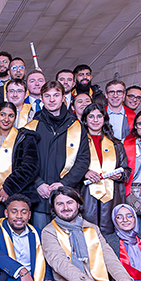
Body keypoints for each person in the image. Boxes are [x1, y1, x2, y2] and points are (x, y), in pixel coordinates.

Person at [24, 81, 90, 231]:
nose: (52, 99)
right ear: (41, 99)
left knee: (68, 240)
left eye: (56, 95)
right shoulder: (31, 127)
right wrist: (38, 183)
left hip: (67, 194)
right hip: (39, 196)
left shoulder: (77, 127)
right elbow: (24, 161)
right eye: (47, 96)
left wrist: (64, 183)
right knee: (41, 240)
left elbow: (83, 160)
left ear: (63, 98)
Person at [0, 102, 39, 223]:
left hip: (16, 196)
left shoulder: (25, 137)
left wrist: (8, 188)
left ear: (15, 118)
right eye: (2, 114)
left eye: (11, 116)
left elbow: (30, 167)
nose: (6, 119)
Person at [81, 103, 130, 238]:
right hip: (86, 195)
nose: (95, 120)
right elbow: (68, 167)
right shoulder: (77, 142)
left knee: (111, 236)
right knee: (88, 235)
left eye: (99, 116)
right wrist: (84, 172)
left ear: (104, 119)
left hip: (112, 196)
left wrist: (120, 175)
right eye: (91, 116)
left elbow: (126, 169)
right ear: (85, 119)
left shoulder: (116, 144)